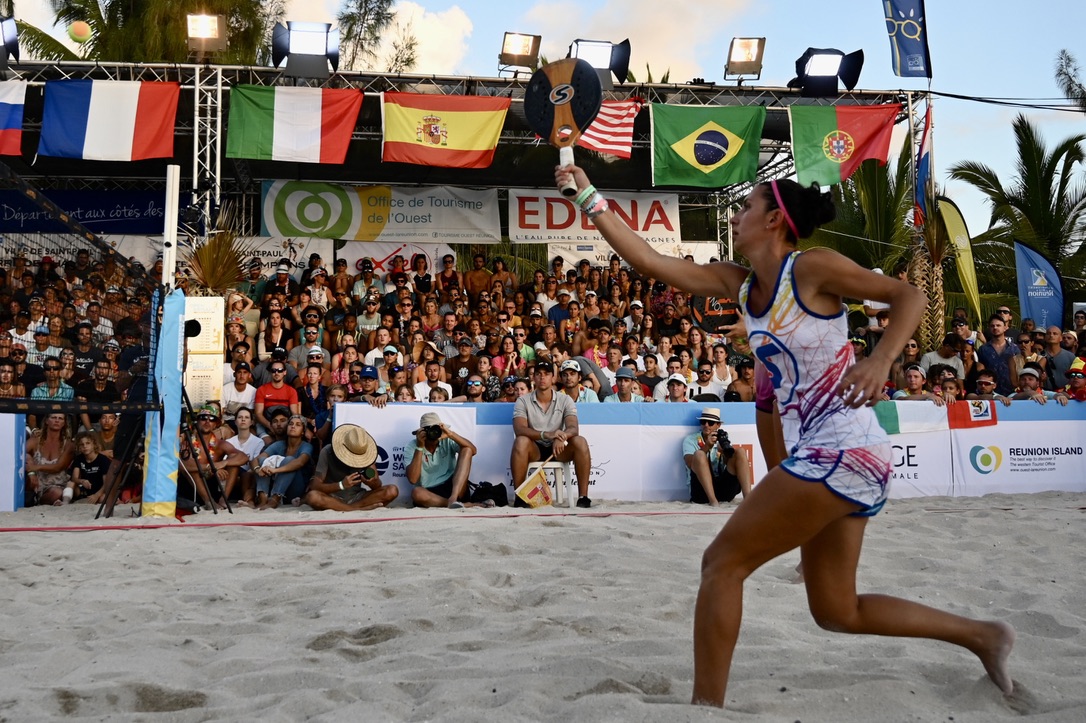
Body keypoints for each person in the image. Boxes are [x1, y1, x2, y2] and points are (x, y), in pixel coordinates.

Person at [555, 164, 1015, 707]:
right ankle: (983, 635)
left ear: (774, 220)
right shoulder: (739, 284)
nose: (736, 214)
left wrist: (880, 361)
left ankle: (707, 708)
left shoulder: (813, 267)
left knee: (721, 563)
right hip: (843, 455)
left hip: (843, 448)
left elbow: (908, 296)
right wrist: (586, 195)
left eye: (746, 206)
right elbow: (651, 261)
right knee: (838, 611)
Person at [510, 360, 593, 508]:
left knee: (580, 441)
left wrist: (562, 436)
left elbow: (573, 428)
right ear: (533, 378)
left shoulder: (565, 399)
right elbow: (519, 429)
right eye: (538, 374)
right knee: (521, 441)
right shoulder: (523, 400)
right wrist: (547, 434)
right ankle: (519, 496)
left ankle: (583, 497)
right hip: (534, 447)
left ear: (553, 378)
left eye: (546, 374)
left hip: (558, 448)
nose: (542, 377)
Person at [303, 424, 398, 511]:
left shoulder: (365, 452)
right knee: (312, 497)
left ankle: (351, 508)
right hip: (332, 497)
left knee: (392, 490)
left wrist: (372, 482)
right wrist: (341, 485)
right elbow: (315, 486)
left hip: (358, 496)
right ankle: (355, 509)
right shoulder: (327, 451)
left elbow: (377, 485)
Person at [404, 411, 481, 508]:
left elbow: (473, 450)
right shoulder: (412, 446)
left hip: (454, 487)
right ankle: (456, 504)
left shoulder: (447, 439)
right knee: (416, 492)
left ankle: (453, 498)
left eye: (436, 429)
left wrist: (451, 434)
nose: (433, 434)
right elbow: (413, 479)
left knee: (466, 449)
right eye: (429, 430)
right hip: (429, 490)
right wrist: (420, 447)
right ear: (422, 432)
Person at [683, 408, 752, 506]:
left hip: (722, 489)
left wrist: (725, 452)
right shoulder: (690, 439)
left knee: (740, 452)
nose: (706, 425)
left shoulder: (722, 440)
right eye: (703, 422)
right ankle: (713, 502)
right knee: (699, 454)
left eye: (710, 423)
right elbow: (690, 463)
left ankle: (749, 499)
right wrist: (706, 447)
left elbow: (732, 466)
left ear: (718, 425)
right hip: (701, 492)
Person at [253, 414, 314, 509]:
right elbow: (256, 459)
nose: (293, 426)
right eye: (291, 424)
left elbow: (300, 462)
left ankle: (275, 498)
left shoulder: (306, 446)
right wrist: (258, 470)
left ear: (303, 431)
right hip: (275, 484)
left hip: (295, 489)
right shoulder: (279, 444)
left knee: (290, 459)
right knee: (262, 460)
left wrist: (275, 470)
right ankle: (263, 498)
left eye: (298, 425)